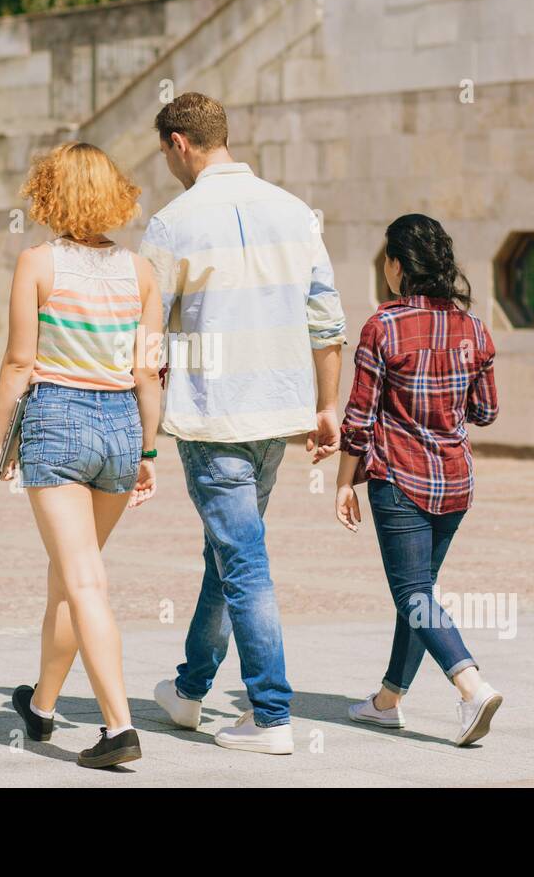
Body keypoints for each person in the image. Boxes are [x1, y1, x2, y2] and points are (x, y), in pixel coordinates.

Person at [141, 92, 346, 754]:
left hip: (213, 414)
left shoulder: (173, 223)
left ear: (179, 143)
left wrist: (138, 422)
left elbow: (148, 335)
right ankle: (191, 690)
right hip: (279, 412)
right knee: (230, 554)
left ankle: (269, 712)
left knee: (244, 562)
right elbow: (326, 319)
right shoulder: (294, 212)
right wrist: (325, 404)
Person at [0, 142, 163, 769]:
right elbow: (149, 375)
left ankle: (119, 727)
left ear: (49, 194)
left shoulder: (37, 263)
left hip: (58, 421)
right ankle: (41, 707)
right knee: (67, 576)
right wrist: (146, 449)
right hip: (120, 428)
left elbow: (17, 361)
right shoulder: (141, 273)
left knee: (84, 580)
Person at [334, 213, 503, 746]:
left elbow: (359, 417)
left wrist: (343, 482)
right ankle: (388, 701)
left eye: (386, 258)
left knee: (412, 594)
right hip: (454, 482)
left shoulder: (382, 326)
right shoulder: (475, 329)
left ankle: (471, 686)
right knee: (419, 592)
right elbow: (487, 411)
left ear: (398, 266)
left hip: (400, 479)